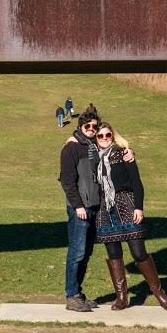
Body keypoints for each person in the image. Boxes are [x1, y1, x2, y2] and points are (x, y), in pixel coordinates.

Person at [92, 122, 167, 310]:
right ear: (96, 139)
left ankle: (159, 293)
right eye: (100, 136)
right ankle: (122, 297)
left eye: (108, 135)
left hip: (126, 204)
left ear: (113, 135)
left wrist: (139, 207)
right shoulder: (93, 158)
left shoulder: (124, 153)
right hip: (105, 208)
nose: (104, 139)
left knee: (138, 252)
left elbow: (137, 182)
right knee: (113, 253)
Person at [57, 107, 104, 311]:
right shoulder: (71, 148)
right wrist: (77, 206)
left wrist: (129, 151)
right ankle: (71, 296)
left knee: (86, 253)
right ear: (80, 126)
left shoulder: (94, 146)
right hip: (80, 209)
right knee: (76, 253)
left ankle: (78, 292)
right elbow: (67, 181)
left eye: (95, 126)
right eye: (88, 126)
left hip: (94, 206)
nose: (92, 129)